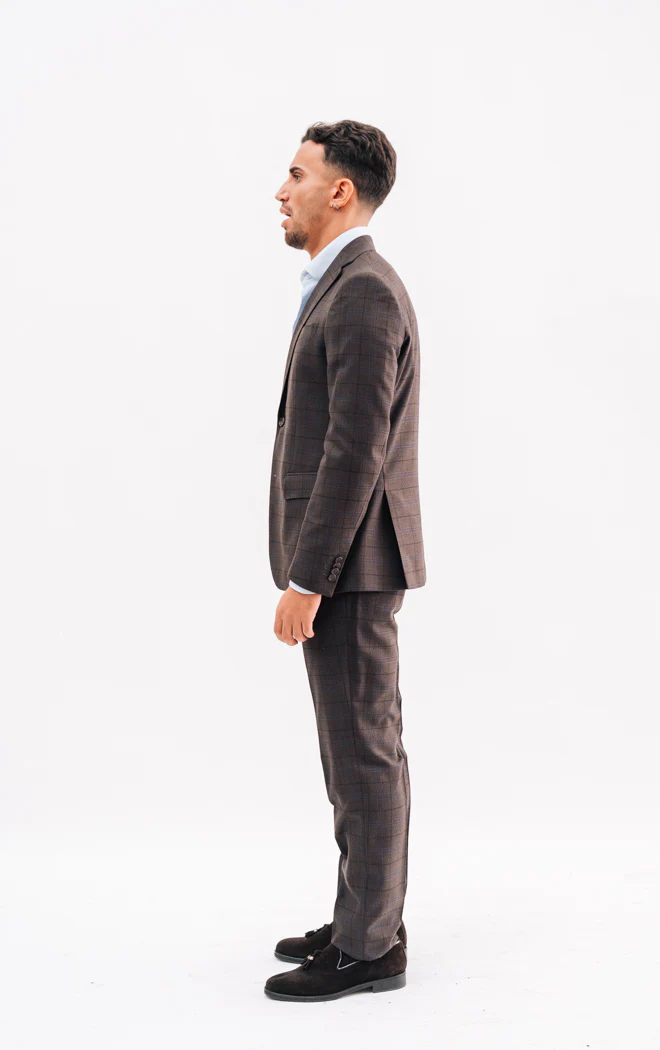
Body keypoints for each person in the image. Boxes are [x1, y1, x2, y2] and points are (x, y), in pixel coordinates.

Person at [265, 119, 426, 1002]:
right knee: (355, 752)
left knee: (363, 754)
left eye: (296, 175)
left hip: (350, 569)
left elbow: (353, 450)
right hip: (350, 565)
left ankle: (370, 950)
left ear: (340, 189)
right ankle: (365, 917)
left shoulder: (362, 291)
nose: (280, 191)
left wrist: (306, 579)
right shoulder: (344, 284)